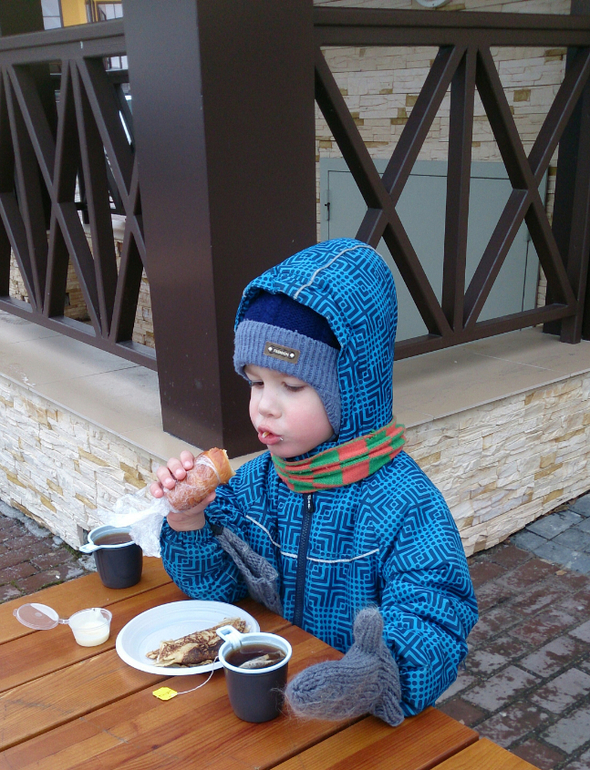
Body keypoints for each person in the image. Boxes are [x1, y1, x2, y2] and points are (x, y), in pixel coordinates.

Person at [151, 237, 478, 725]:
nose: (265, 405)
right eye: (256, 382)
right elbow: (217, 590)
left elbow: (437, 615)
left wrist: (376, 675)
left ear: (353, 387)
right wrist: (188, 520)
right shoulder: (254, 485)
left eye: (292, 385)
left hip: (359, 724)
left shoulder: (406, 506)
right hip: (265, 705)